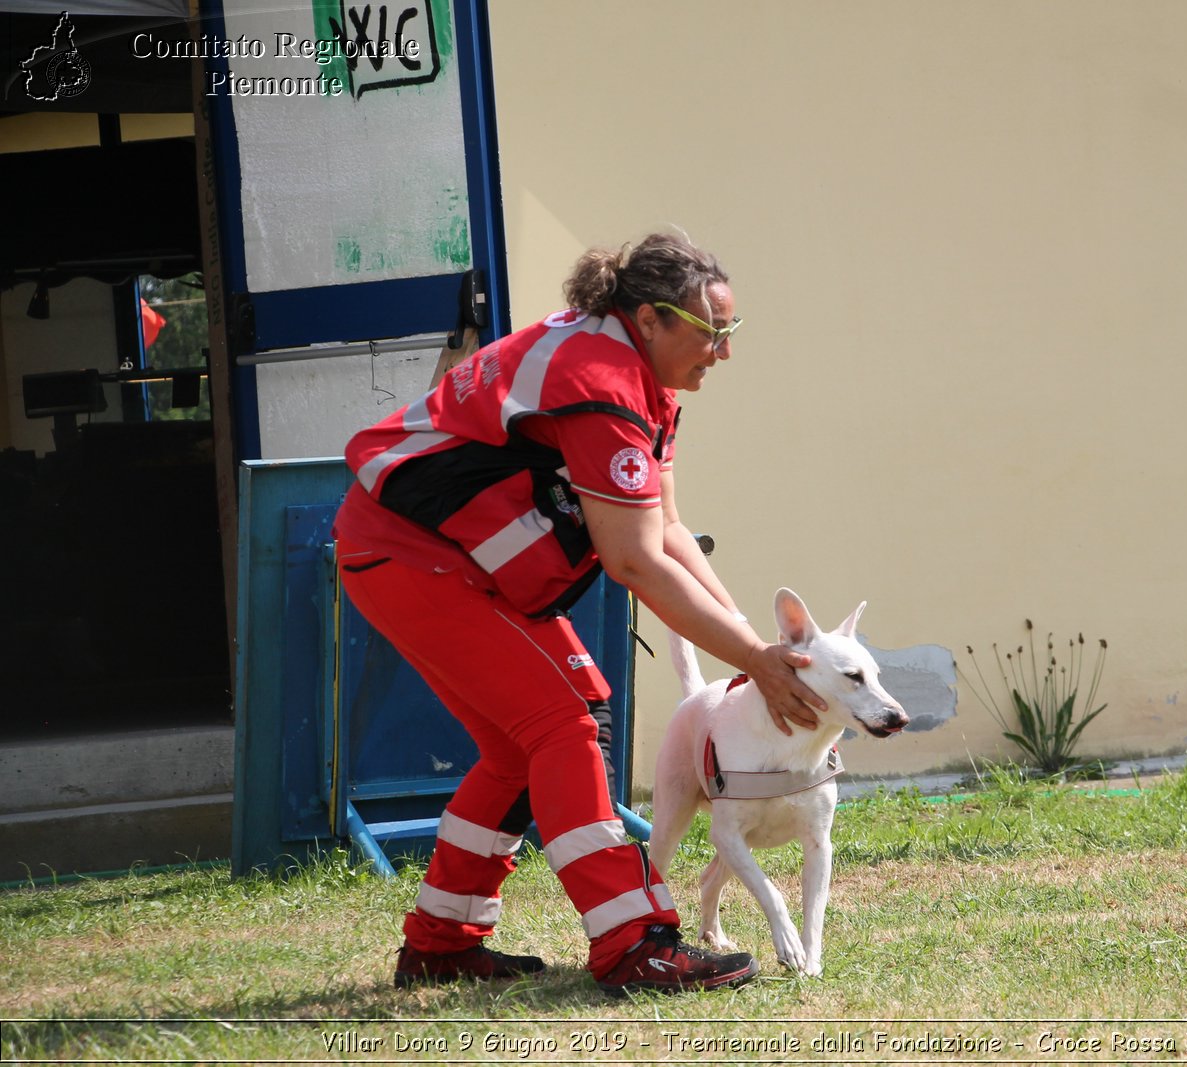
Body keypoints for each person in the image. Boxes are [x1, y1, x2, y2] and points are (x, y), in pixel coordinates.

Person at [333, 232, 826, 992]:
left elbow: (666, 530)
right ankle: (634, 943)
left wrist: (758, 652)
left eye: (733, 332)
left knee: (521, 747)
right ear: (651, 318)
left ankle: (441, 942)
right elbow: (634, 560)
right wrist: (755, 662)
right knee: (564, 721)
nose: (723, 352)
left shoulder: (641, 375)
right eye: (711, 331)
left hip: (437, 552)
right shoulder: (602, 379)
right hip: (410, 553)